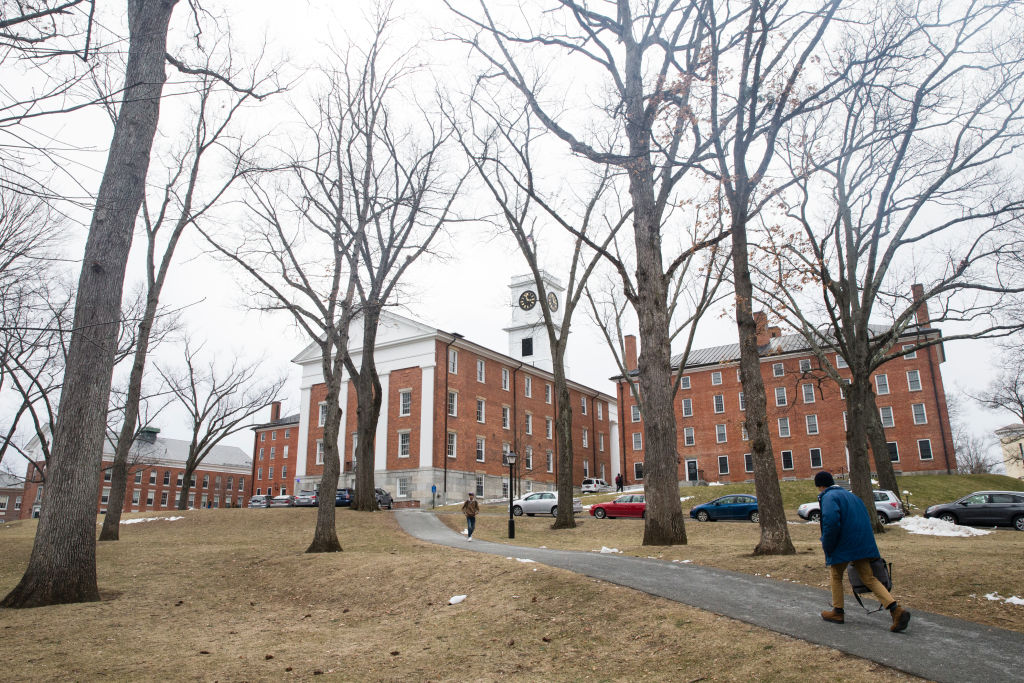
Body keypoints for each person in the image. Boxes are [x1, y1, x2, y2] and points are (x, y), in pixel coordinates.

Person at [815, 471, 911, 632]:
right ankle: (895, 609)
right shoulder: (852, 497)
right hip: (861, 543)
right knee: (868, 577)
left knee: (836, 575)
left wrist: (827, 544)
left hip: (844, 544)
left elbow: (831, 523)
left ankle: (838, 611)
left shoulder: (829, 497)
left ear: (820, 486)